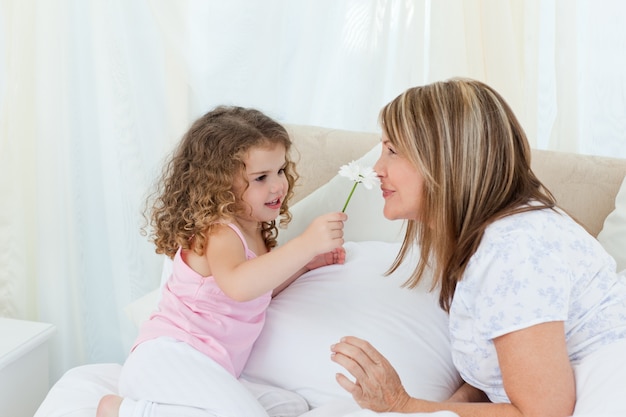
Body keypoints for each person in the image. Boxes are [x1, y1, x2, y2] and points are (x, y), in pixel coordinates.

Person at [330, 78, 626, 417]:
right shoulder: (494, 239)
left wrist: (404, 406)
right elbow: (506, 370)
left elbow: (543, 413)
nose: (376, 169)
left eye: (392, 151)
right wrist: (436, 409)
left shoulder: (514, 250)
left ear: (445, 160)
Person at [97, 106, 347, 417]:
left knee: (291, 406)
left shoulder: (254, 231)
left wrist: (306, 264)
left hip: (210, 370)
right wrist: (304, 244)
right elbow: (239, 286)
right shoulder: (220, 231)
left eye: (280, 171)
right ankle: (122, 412)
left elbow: (258, 288)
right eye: (260, 178)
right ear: (218, 185)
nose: (277, 186)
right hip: (169, 358)